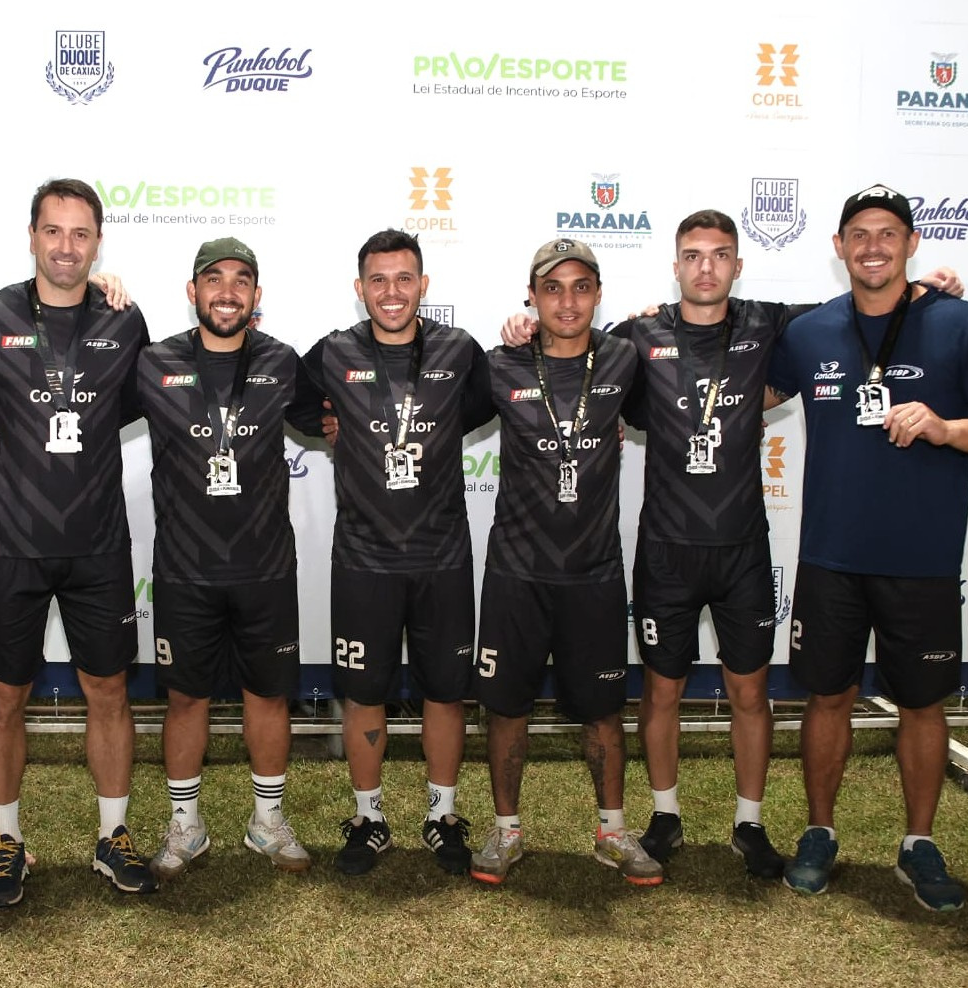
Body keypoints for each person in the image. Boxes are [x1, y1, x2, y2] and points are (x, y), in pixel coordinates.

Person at [500, 212, 964, 881]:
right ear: (675, 266)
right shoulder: (637, 335)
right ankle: (664, 814)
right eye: (693, 255)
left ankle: (749, 823)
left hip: (743, 545)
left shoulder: (769, 322)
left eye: (719, 255)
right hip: (665, 546)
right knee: (660, 690)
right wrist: (520, 326)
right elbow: (564, 349)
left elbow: (864, 307)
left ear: (737, 266)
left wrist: (926, 291)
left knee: (749, 692)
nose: (706, 267)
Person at [768, 183, 968, 911]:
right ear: (838, 247)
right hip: (831, 556)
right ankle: (819, 832)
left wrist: (945, 427)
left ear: (911, 243)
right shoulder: (810, 331)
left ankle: (918, 844)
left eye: (887, 233)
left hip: (922, 560)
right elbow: (741, 391)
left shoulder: (959, 322)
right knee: (827, 697)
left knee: (921, 703)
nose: (872, 246)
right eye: (859, 234)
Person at [0, 178, 153, 906]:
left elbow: (145, 403)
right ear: (32, 236)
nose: (66, 247)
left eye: (80, 234)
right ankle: (6, 841)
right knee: (3, 696)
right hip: (11, 542)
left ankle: (113, 836)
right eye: (53, 231)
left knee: (109, 690)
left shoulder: (124, 321)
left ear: (97, 243)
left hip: (97, 542)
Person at [468, 239, 657, 886]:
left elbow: (687, 369)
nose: (567, 301)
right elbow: (431, 416)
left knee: (603, 710)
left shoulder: (625, 357)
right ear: (531, 297)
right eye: (552, 288)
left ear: (598, 294)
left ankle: (612, 831)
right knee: (505, 708)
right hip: (516, 572)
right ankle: (506, 831)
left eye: (580, 287)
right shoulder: (500, 364)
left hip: (593, 571)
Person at [299, 229, 488, 876]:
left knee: (445, 692)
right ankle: (369, 818)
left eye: (404, 278)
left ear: (423, 285)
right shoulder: (333, 352)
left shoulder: (459, 351)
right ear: (359, 288)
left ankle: (442, 815)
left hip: (442, 556)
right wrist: (329, 422)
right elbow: (288, 400)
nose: (391, 292)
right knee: (363, 694)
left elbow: (497, 398)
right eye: (377, 280)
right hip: (364, 557)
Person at [135, 238, 325, 878]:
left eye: (241, 280)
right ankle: (185, 826)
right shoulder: (154, 362)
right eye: (213, 279)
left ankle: (266, 821)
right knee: (185, 700)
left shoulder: (282, 362)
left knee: (268, 696)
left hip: (264, 566)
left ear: (256, 295)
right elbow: (85, 405)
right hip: (184, 567)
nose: (227, 291)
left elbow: (338, 416)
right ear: (192, 292)